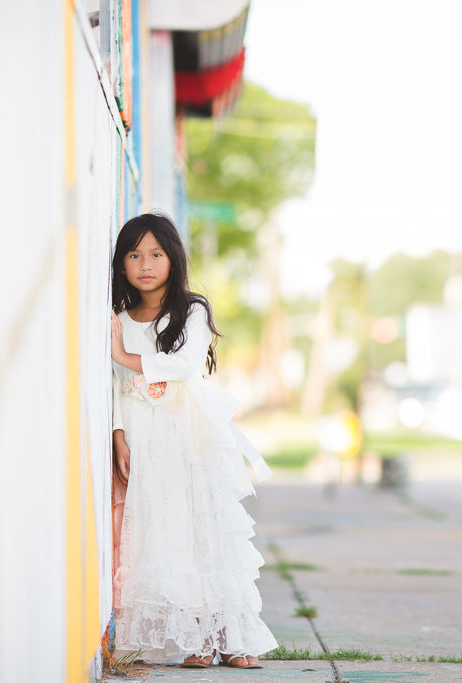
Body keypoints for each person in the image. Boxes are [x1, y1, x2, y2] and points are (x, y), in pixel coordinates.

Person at [109, 213, 276, 669]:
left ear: (173, 259)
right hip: (146, 436)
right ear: (121, 264)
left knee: (207, 529)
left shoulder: (192, 310)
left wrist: (124, 354)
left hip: (190, 434)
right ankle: (196, 640)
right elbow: (114, 385)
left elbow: (184, 366)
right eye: (134, 255)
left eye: (156, 254)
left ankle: (233, 638)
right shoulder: (120, 319)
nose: (145, 264)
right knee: (169, 532)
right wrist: (119, 436)